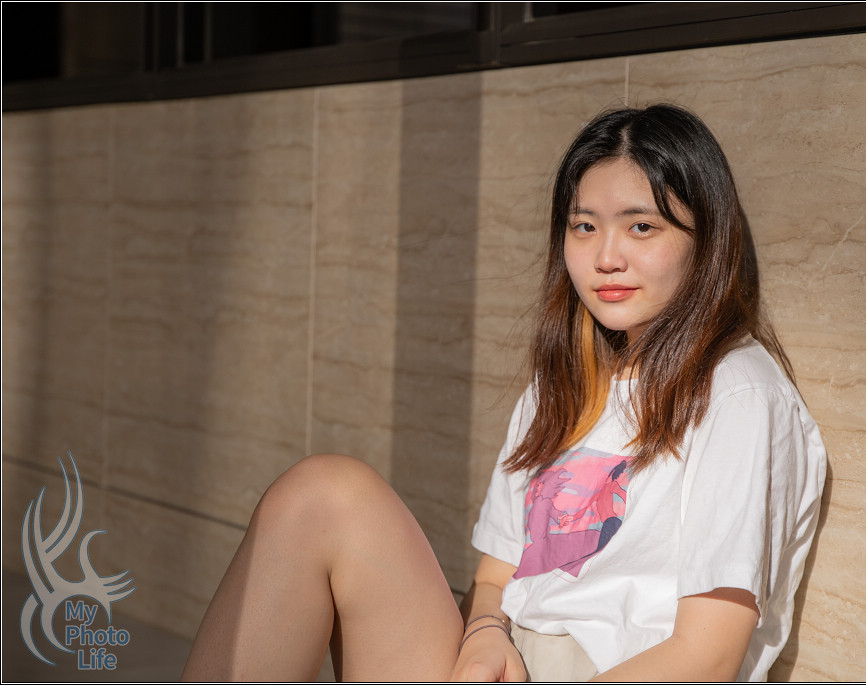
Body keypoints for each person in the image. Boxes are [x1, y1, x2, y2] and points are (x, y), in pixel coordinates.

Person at [182, 103, 827, 682]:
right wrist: (486, 633)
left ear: (705, 241)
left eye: (641, 228)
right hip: (510, 659)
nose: (606, 257)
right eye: (584, 227)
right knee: (323, 493)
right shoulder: (563, 387)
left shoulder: (737, 394)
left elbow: (707, 658)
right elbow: (495, 576)